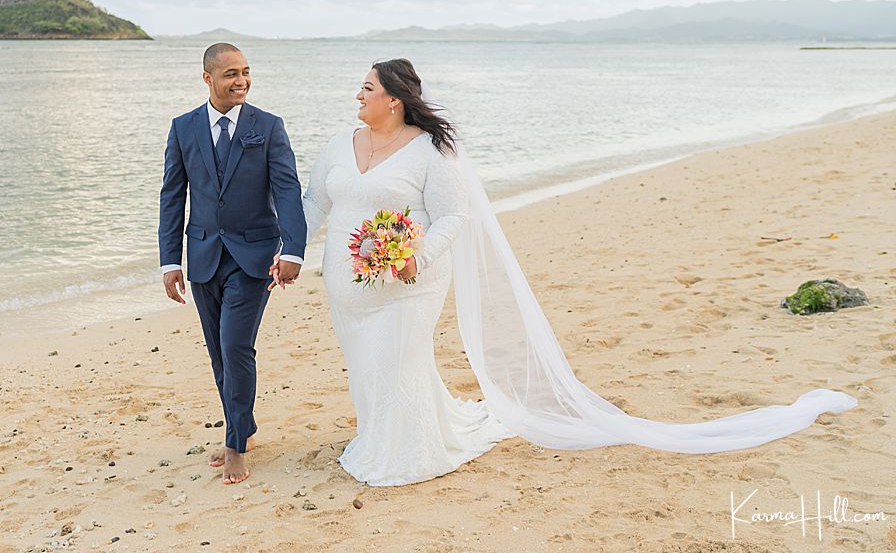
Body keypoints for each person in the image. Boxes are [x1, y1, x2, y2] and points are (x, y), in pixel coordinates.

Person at [276, 57, 858, 487]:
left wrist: (417, 256)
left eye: (367, 87)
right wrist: (293, 250)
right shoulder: (339, 143)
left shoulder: (431, 151)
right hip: (344, 280)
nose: (358, 93)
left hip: (409, 281)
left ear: (394, 100)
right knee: (366, 362)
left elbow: (453, 216)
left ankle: (408, 452)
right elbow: (314, 202)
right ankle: (380, 435)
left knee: (397, 357)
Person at [158, 43, 306, 484]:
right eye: (230, 74)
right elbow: (172, 197)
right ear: (208, 78)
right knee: (219, 354)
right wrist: (169, 261)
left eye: (245, 72)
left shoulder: (268, 126)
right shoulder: (183, 128)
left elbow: (287, 190)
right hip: (202, 257)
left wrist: (293, 250)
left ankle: (236, 442)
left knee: (236, 347)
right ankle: (247, 424)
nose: (240, 81)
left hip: (254, 258)